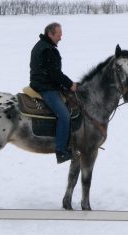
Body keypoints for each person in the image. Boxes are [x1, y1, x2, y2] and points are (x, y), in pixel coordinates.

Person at [29, 22, 77, 164]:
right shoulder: (47, 49)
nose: (61, 38)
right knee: (64, 115)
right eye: (58, 34)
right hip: (45, 87)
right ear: (50, 34)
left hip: (45, 83)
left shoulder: (42, 45)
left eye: (61, 34)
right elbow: (54, 73)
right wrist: (70, 84)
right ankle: (61, 150)